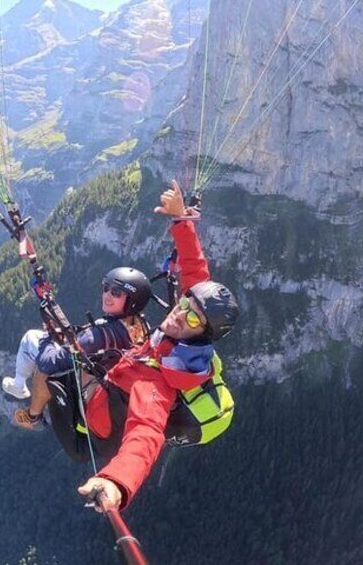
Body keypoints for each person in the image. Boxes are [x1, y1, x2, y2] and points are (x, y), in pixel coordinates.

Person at [74, 180, 240, 512]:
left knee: (67, 365)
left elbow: (145, 436)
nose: (181, 314)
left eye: (193, 319)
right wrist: (181, 221)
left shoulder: (159, 381)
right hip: (128, 374)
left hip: (101, 420)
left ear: (203, 334)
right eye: (185, 304)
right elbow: (195, 271)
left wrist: (116, 483)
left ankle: (37, 411)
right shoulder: (187, 333)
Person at [2, 266, 153, 429]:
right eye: (106, 288)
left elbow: (48, 362)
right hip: (111, 384)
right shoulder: (141, 326)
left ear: (132, 301)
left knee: (31, 338)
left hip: (89, 388)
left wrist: (48, 336)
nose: (107, 295)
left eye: (116, 293)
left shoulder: (97, 337)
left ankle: (32, 414)